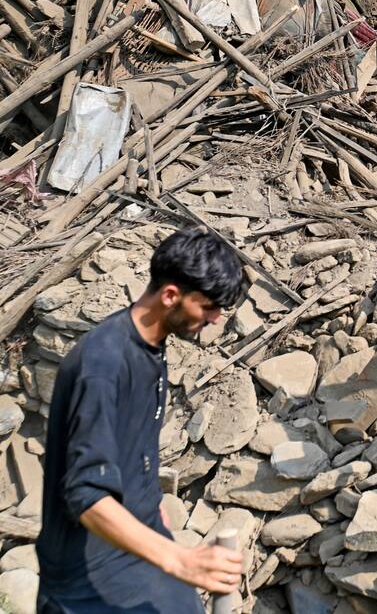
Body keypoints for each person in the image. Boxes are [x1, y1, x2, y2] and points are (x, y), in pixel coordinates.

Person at [37, 227, 248, 613]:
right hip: (87, 575)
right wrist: (179, 559)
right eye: (209, 307)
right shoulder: (102, 364)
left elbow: (131, 448)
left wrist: (152, 505)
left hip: (138, 542)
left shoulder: (150, 346)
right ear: (171, 295)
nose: (216, 319)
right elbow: (87, 497)